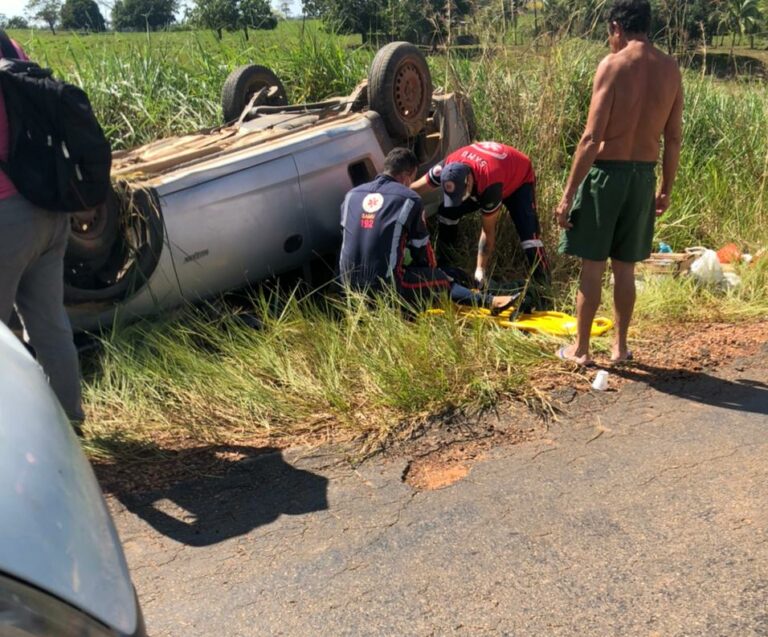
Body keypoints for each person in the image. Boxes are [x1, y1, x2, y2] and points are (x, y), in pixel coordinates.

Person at [555, 0, 683, 366]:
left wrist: (567, 196)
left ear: (616, 28)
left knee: (592, 265)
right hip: (643, 177)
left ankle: (580, 350)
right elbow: (673, 138)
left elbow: (591, 138)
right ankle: (620, 347)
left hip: (606, 175)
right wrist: (666, 190)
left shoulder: (612, 65)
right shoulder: (671, 69)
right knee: (625, 267)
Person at [0, 34, 85, 429]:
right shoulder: (11, 46)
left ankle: (14, 443)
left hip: (5, 218)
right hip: (47, 207)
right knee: (51, 327)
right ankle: (69, 429)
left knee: (3, 344)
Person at [339, 147, 518, 313]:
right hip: (387, 287)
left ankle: (480, 290)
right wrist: (433, 275)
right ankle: (490, 301)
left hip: (347, 286)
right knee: (441, 278)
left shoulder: (351, 195)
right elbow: (422, 251)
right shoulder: (409, 198)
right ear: (407, 175)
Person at [412, 141, 550, 286]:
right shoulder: (446, 166)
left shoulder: (489, 183)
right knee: (447, 212)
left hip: (518, 179)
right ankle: (446, 260)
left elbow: (487, 231)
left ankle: (544, 283)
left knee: (529, 235)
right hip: (488, 174)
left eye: (461, 194)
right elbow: (415, 188)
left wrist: (480, 271)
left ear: (469, 181)